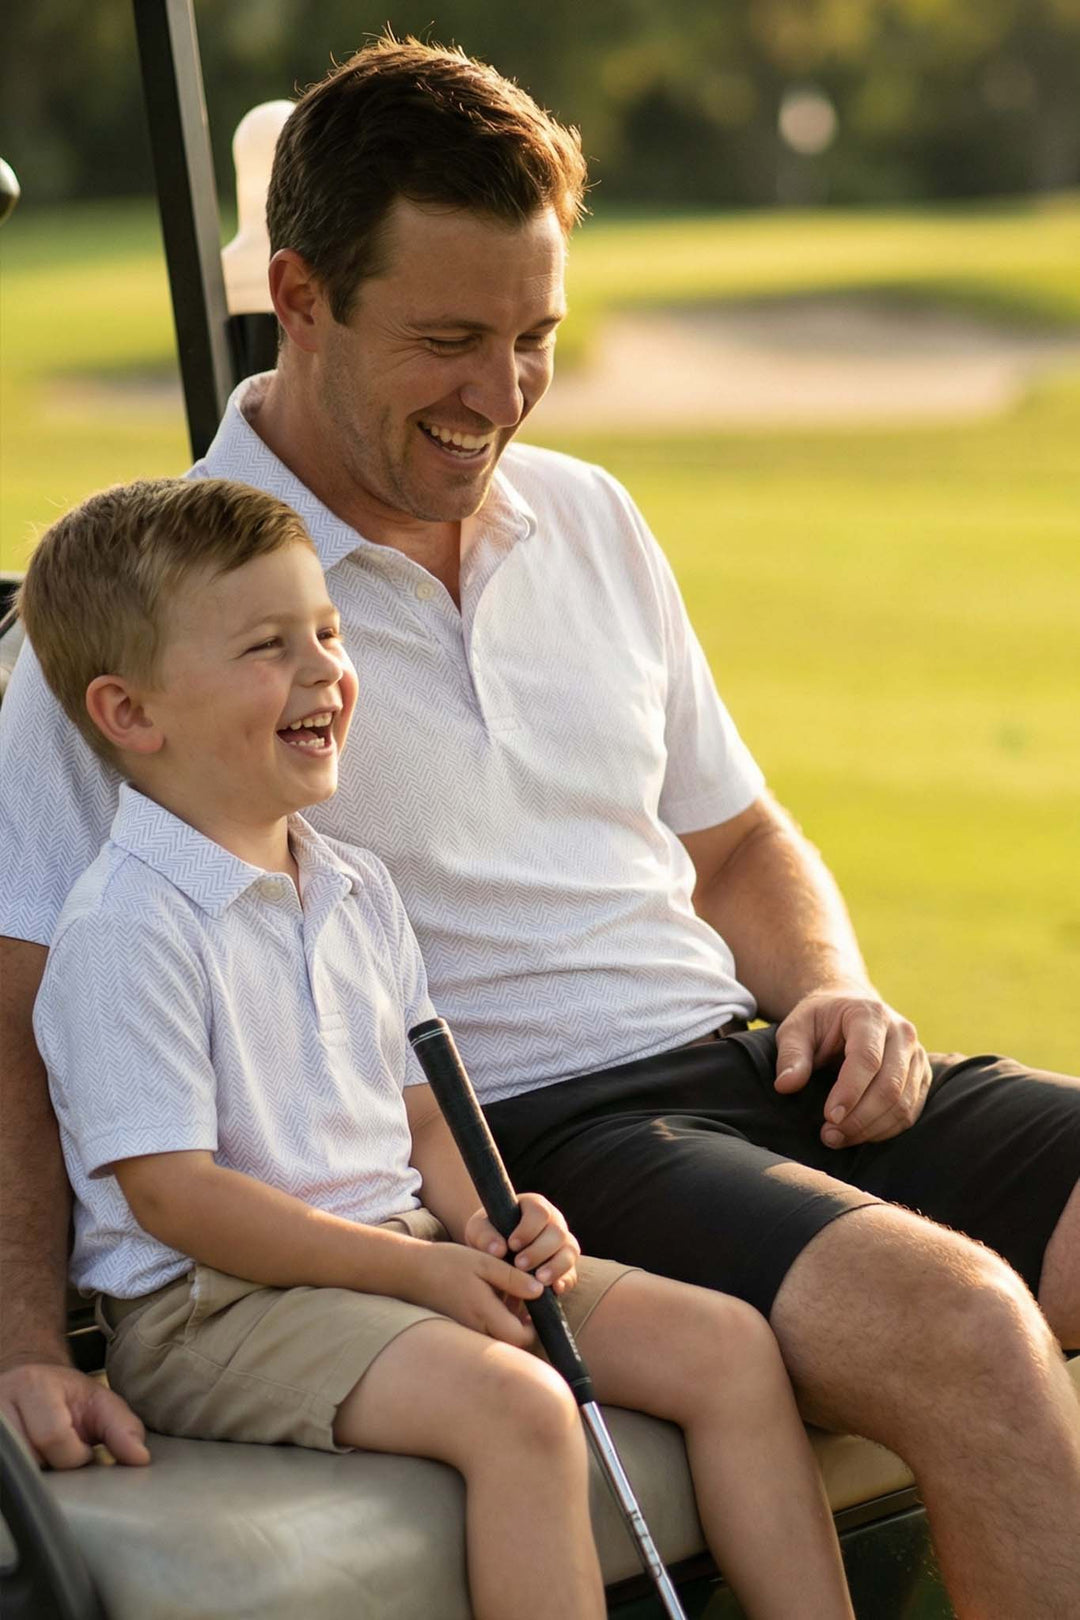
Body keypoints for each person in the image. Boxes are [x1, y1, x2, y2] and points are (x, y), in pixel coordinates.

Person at [0, 34, 1077, 1617]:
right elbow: (22, 1012)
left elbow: (736, 845)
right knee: (964, 1325)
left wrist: (832, 984)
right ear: (298, 297)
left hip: (757, 1062)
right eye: (448, 337)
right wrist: (27, 1340)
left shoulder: (590, 516)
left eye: (536, 336)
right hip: (542, 1138)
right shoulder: (139, 633)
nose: (498, 393)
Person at [18, 475, 856, 1620]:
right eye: (270, 647)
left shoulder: (355, 886)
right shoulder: (128, 929)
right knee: (519, 1408)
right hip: (214, 1308)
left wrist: (490, 1217)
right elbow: (176, 1200)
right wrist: (418, 1272)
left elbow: (424, 1120)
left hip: (397, 1251)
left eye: (328, 631)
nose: (325, 674)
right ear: (129, 714)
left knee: (725, 1345)